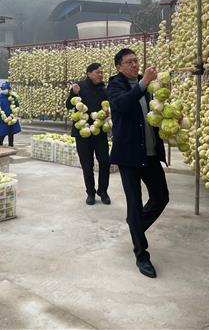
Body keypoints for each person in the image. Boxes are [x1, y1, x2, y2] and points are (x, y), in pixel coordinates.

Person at [107, 48, 169, 279]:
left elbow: (154, 114)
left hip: (150, 153)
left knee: (161, 197)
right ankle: (142, 255)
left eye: (136, 61)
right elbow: (122, 105)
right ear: (119, 67)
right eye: (129, 62)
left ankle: (136, 225)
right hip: (130, 156)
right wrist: (142, 82)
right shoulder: (115, 86)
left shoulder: (149, 89)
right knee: (135, 202)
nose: (134, 64)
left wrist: (172, 118)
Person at [66, 63, 111, 206]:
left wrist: (109, 112)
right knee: (87, 164)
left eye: (102, 73)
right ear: (89, 73)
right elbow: (69, 105)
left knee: (105, 161)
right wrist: (73, 93)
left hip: (99, 132)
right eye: (98, 72)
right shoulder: (79, 87)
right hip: (83, 132)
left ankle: (103, 191)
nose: (101, 75)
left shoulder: (103, 89)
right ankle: (90, 193)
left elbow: (109, 105)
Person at [0, 82, 21, 147]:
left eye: (5, 89)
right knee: (3, 133)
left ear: (9, 89)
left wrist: (16, 110)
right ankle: (0, 144)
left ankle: (11, 146)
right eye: (2, 89)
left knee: (11, 133)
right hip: (3, 118)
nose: (3, 90)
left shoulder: (12, 97)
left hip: (11, 117)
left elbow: (17, 106)